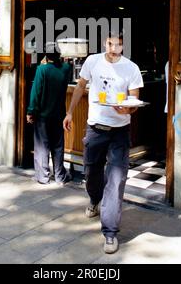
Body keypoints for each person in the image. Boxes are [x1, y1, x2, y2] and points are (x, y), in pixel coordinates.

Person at [63, 31, 143, 254]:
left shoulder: (131, 68)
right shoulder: (92, 61)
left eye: (117, 45)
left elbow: (134, 100)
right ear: (104, 44)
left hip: (120, 131)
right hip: (95, 127)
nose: (113, 48)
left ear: (122, 46)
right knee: (91, 170)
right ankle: (94, 199)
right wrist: (69, 113)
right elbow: (80, 87)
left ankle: (110, 232)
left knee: (116, 180)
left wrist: (127, 108)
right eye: (109, 44)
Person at [27, 42, 72, 185]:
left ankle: (43, 177)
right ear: (59, 54)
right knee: (58, 146)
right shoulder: (65, 69)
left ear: (46, 55)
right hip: (59, 114)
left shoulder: (42, 70)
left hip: (43, 115)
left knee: (42, 146)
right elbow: (65, 65)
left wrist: (30, 111)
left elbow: (36, 92)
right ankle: (60, 176)